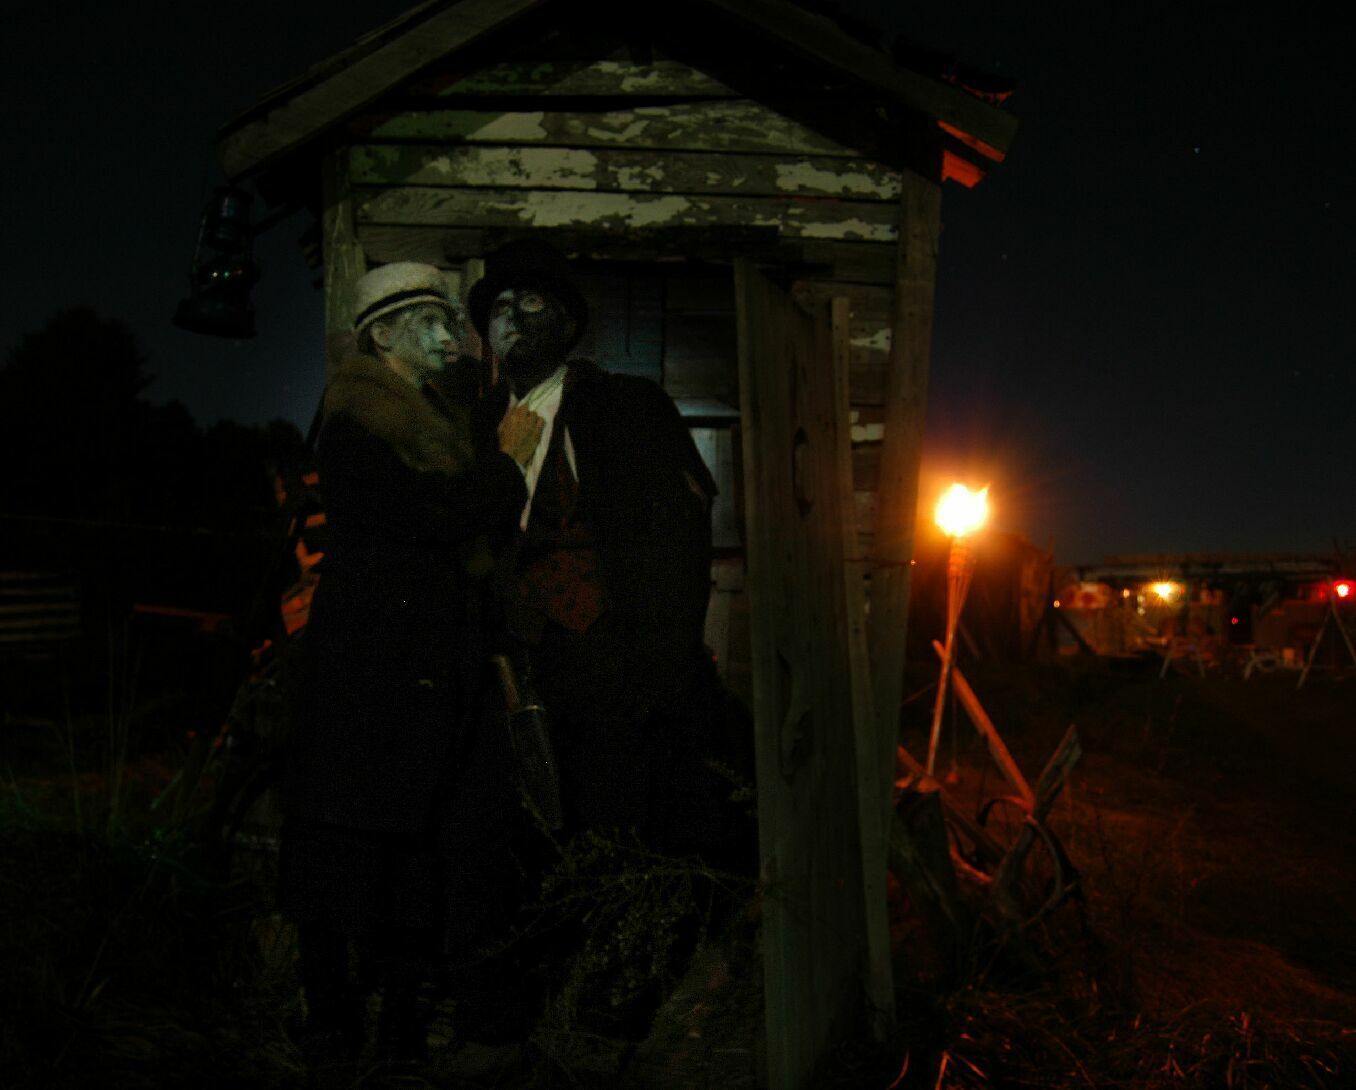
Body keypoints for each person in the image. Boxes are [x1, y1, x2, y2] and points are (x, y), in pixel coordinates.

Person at [278, 262, 542, 1077]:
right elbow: (433, 516)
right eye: (428, 319)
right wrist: (508, 465)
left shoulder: (435, 418)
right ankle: (333, 1021)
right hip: (368, 679)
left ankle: (396, 1024)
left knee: (411, 854)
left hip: (422, 674)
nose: (448, 333)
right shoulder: (357, 426)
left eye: (447, 318)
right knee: (348, 847)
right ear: (383, 334)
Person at [466, 240, 724, 854]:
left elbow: (680, 541)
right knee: (529, 840)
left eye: (531, 302)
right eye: (499, 308)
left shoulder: (625, 408)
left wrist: (659, 672)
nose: (513, 317)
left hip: (613, 669)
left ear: (566, 324)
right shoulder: (474, 426)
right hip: (520, 673)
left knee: (617, 835)